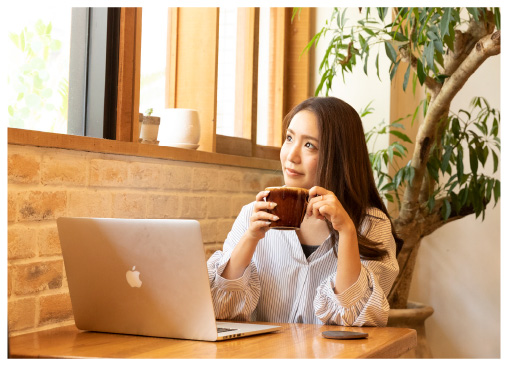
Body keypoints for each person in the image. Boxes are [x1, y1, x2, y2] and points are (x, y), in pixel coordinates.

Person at [207, 96, 401, 326]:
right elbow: (219, 310)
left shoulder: (371, 225)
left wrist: (347, 231)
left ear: (339, 157)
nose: (291, 155)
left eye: (309, 145)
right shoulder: (253, 215)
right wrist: (250, 238)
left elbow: (354, 320)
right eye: (289, 138)